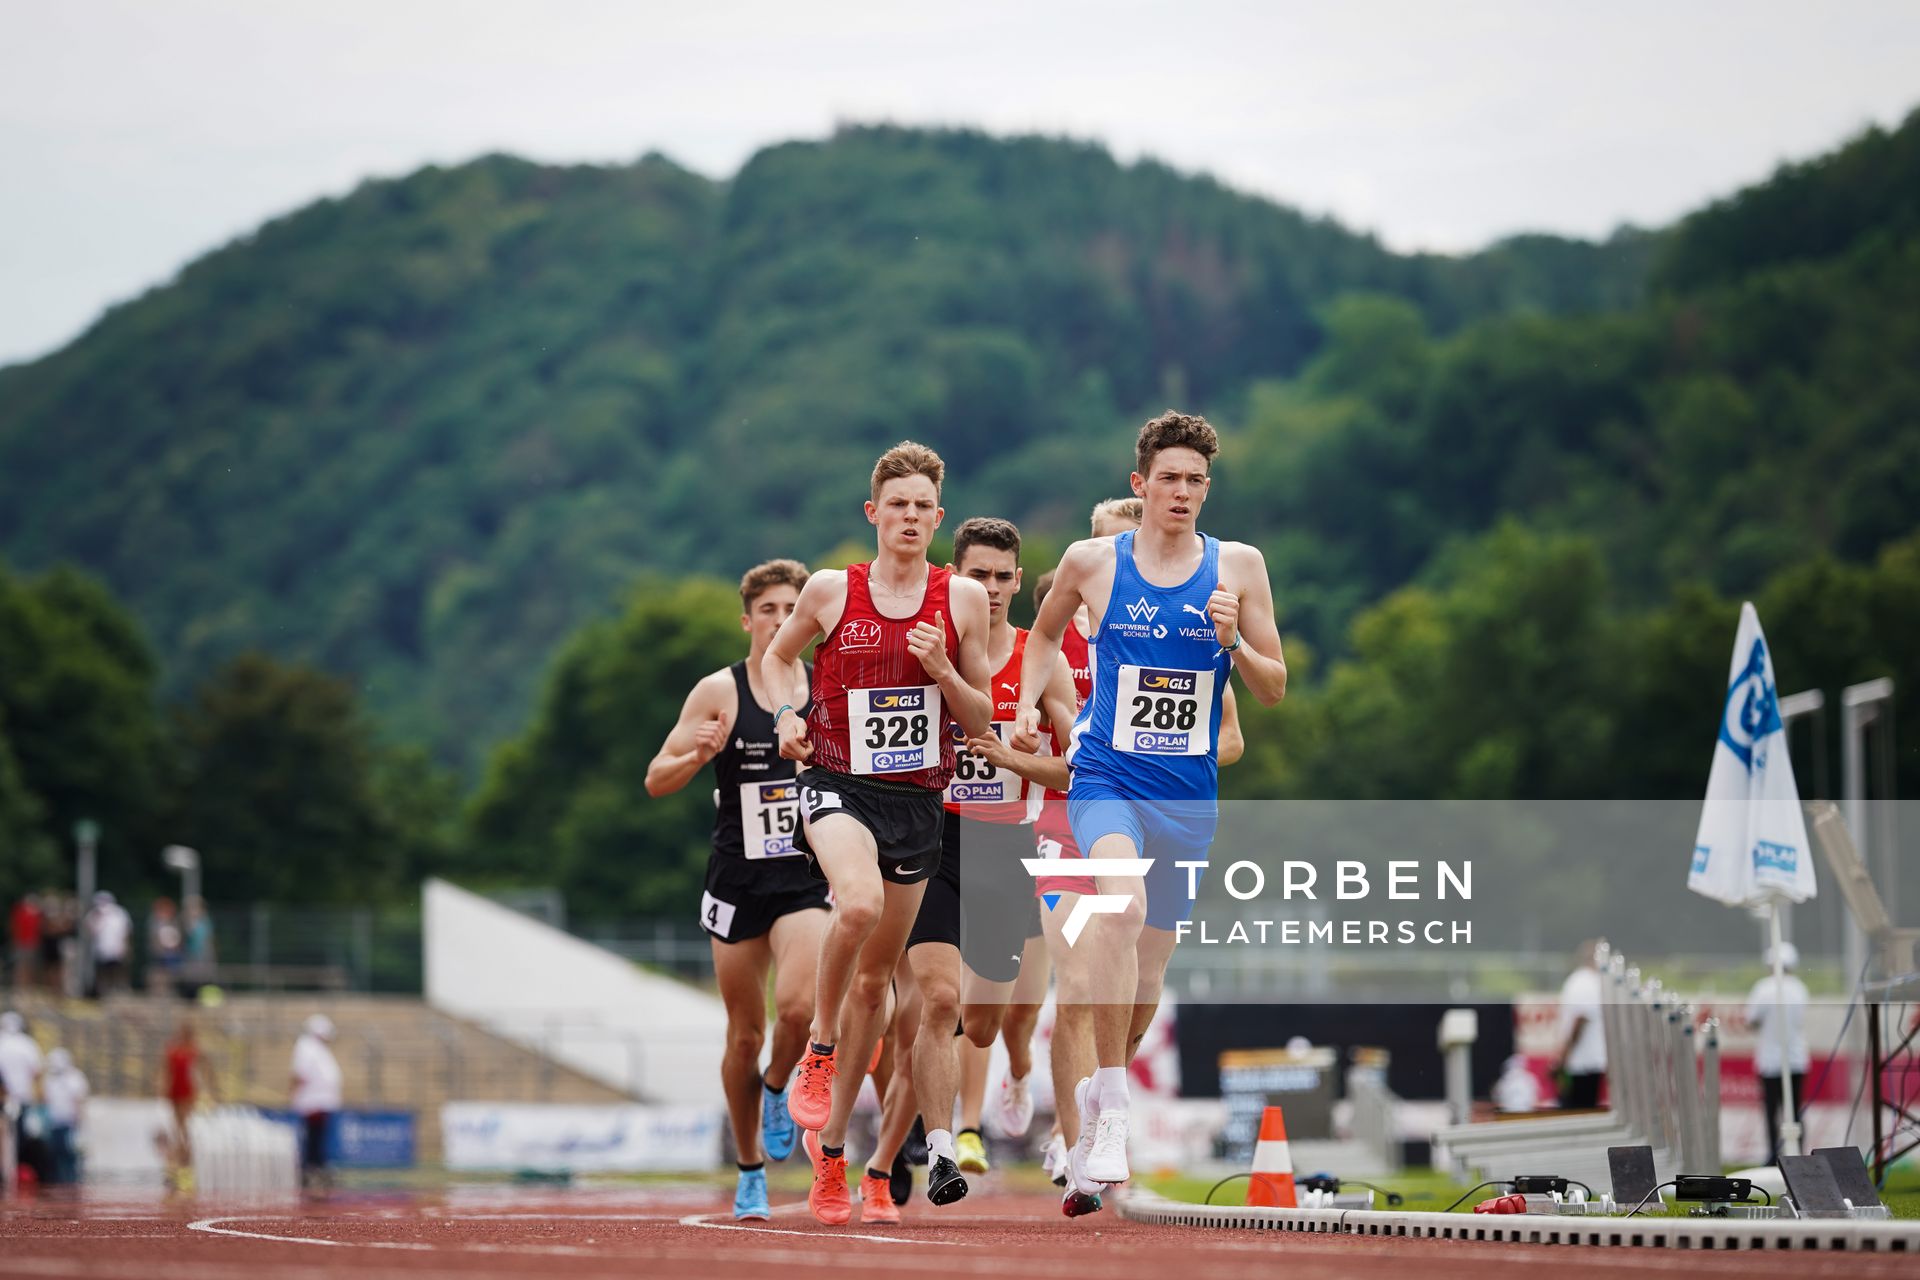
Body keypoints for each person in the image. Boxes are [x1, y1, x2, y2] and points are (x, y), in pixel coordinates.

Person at [1017, 410, 1288, 1196]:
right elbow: (1042, 636)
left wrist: (1235, 643)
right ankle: (1111, 1107)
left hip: (1188, 797)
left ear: (1208, 489)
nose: (1181, 492)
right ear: (1141, 485)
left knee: (1143, 985)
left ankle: (1108, 1089)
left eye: (1195, 480)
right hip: (1106, 777)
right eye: (1167, 478)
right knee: (1120, 909)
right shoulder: (1092, 562)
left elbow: (1274, 690)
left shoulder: (1239, 566)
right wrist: (1026, 706)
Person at [761, 441, 994, 1225]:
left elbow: (981, 716)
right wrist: (789, 714)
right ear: (874, 513)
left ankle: (834, 1162)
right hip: (835, 787)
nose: (910, 516)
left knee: (878, 987)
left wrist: (946, 673)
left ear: (938, 516)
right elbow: (777, 659)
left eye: (924, 506)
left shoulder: (959, 600)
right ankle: (821, 1052)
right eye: (897, 504)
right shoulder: (832, 591)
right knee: (853, 906)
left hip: (917, 806)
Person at [863, 517, 1076, 1207]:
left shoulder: (1041, 662)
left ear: (1018, 582)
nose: (988, 588)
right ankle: (942, 1147)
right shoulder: (922, 645)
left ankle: (1004, 1075)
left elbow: (1075, 773)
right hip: (931, 839)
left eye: (1001, 576)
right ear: (953, 577)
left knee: (982, 1022)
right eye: (975, 575)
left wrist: (1015, 755)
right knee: (937, 1001)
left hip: (1007, 846)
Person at [645, 558, 831, 1222]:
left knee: (801, 1007)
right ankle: (749, 1166)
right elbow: (655, 778)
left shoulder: (825, 685)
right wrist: (696, 753)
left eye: (794, 610)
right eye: (772, 610)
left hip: (804, 877)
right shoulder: (718, 691)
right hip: (736, 878)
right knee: (744, 1035)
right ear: (748, 619)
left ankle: (780, 1086)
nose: (784, 621)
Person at [1746, 941, 1810, 1162]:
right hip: (1796, 1058)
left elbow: (1751, 1020)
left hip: (1770, 1060)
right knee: (1794, 1110)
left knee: (1771, 1111)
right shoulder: (1799, 988)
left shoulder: (1763, 988)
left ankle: (1773, 1155)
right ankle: (1798, 1154)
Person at [159, 1020, 215, 1187]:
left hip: (187, 1091)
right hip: (175, 1090)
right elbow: (165, 1069)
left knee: (183, 1130)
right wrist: (163, 1085)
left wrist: (209, 1087)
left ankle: (182, 1164)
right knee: (178, 1129)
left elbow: (207, 1067)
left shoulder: (193, 1049)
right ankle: (178, 1165)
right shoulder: (173, 1049)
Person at [291, 1014, 342, 1195]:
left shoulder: (316, 1048)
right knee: (314, 1137)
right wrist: (295, 1094)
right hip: (313, 1100)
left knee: (318, 1136)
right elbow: (300, 1074)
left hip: (321, 1100)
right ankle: (311, 1168)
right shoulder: (306, 1047)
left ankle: (317, 1166)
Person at [1555, 939, 1607, 1109]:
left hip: (1581, 1062)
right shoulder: (1588, 983)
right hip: (1585, 1061)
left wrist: (1563, 1058)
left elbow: (1579, 1021)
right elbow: (1581, 1019)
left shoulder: (1581, 982)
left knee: (1576, 1111)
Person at [0, 1010, 47, 1184]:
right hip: (22, 1098)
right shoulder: (28, 1044)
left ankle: (7, 1175)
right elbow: (37, 1073)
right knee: (18, 1140)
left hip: (3, 1099)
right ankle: (13, 1175)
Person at [41, 1048, 88, 1185]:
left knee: (70, 1157)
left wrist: (80, 1125)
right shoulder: (49, 1079)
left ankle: (71, 1184)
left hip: (69, 1125)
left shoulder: (75, 1078)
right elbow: (45, 1100)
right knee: (54, 1157)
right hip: (53, 1124)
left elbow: (79, 1102)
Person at [86, 891, 132, 997]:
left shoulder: (120, 913)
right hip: (100, 950)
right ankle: (104, 991)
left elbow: (126, 931)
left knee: (117, 970)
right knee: (103, 971)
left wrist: (126, 946)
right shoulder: (94, 914)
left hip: (116, 948)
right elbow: (90, 930)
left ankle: (118, 990)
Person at [146, 897, 183, 997]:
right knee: (158, 973)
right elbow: (155, 939)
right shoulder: (155, 923)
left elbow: (177, 938)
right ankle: (158, 992)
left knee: (171, 973)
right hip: (160, 953)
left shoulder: (174, 922)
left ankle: (168, 991)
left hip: (172, 954)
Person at [9, 895, 41, 991]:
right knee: (21, 966)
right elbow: (15, 927)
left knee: (29, 966)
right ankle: (19, 986)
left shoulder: (35, 914)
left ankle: (28, 986)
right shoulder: (20, 912)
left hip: (31, 943)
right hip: (21, 943)